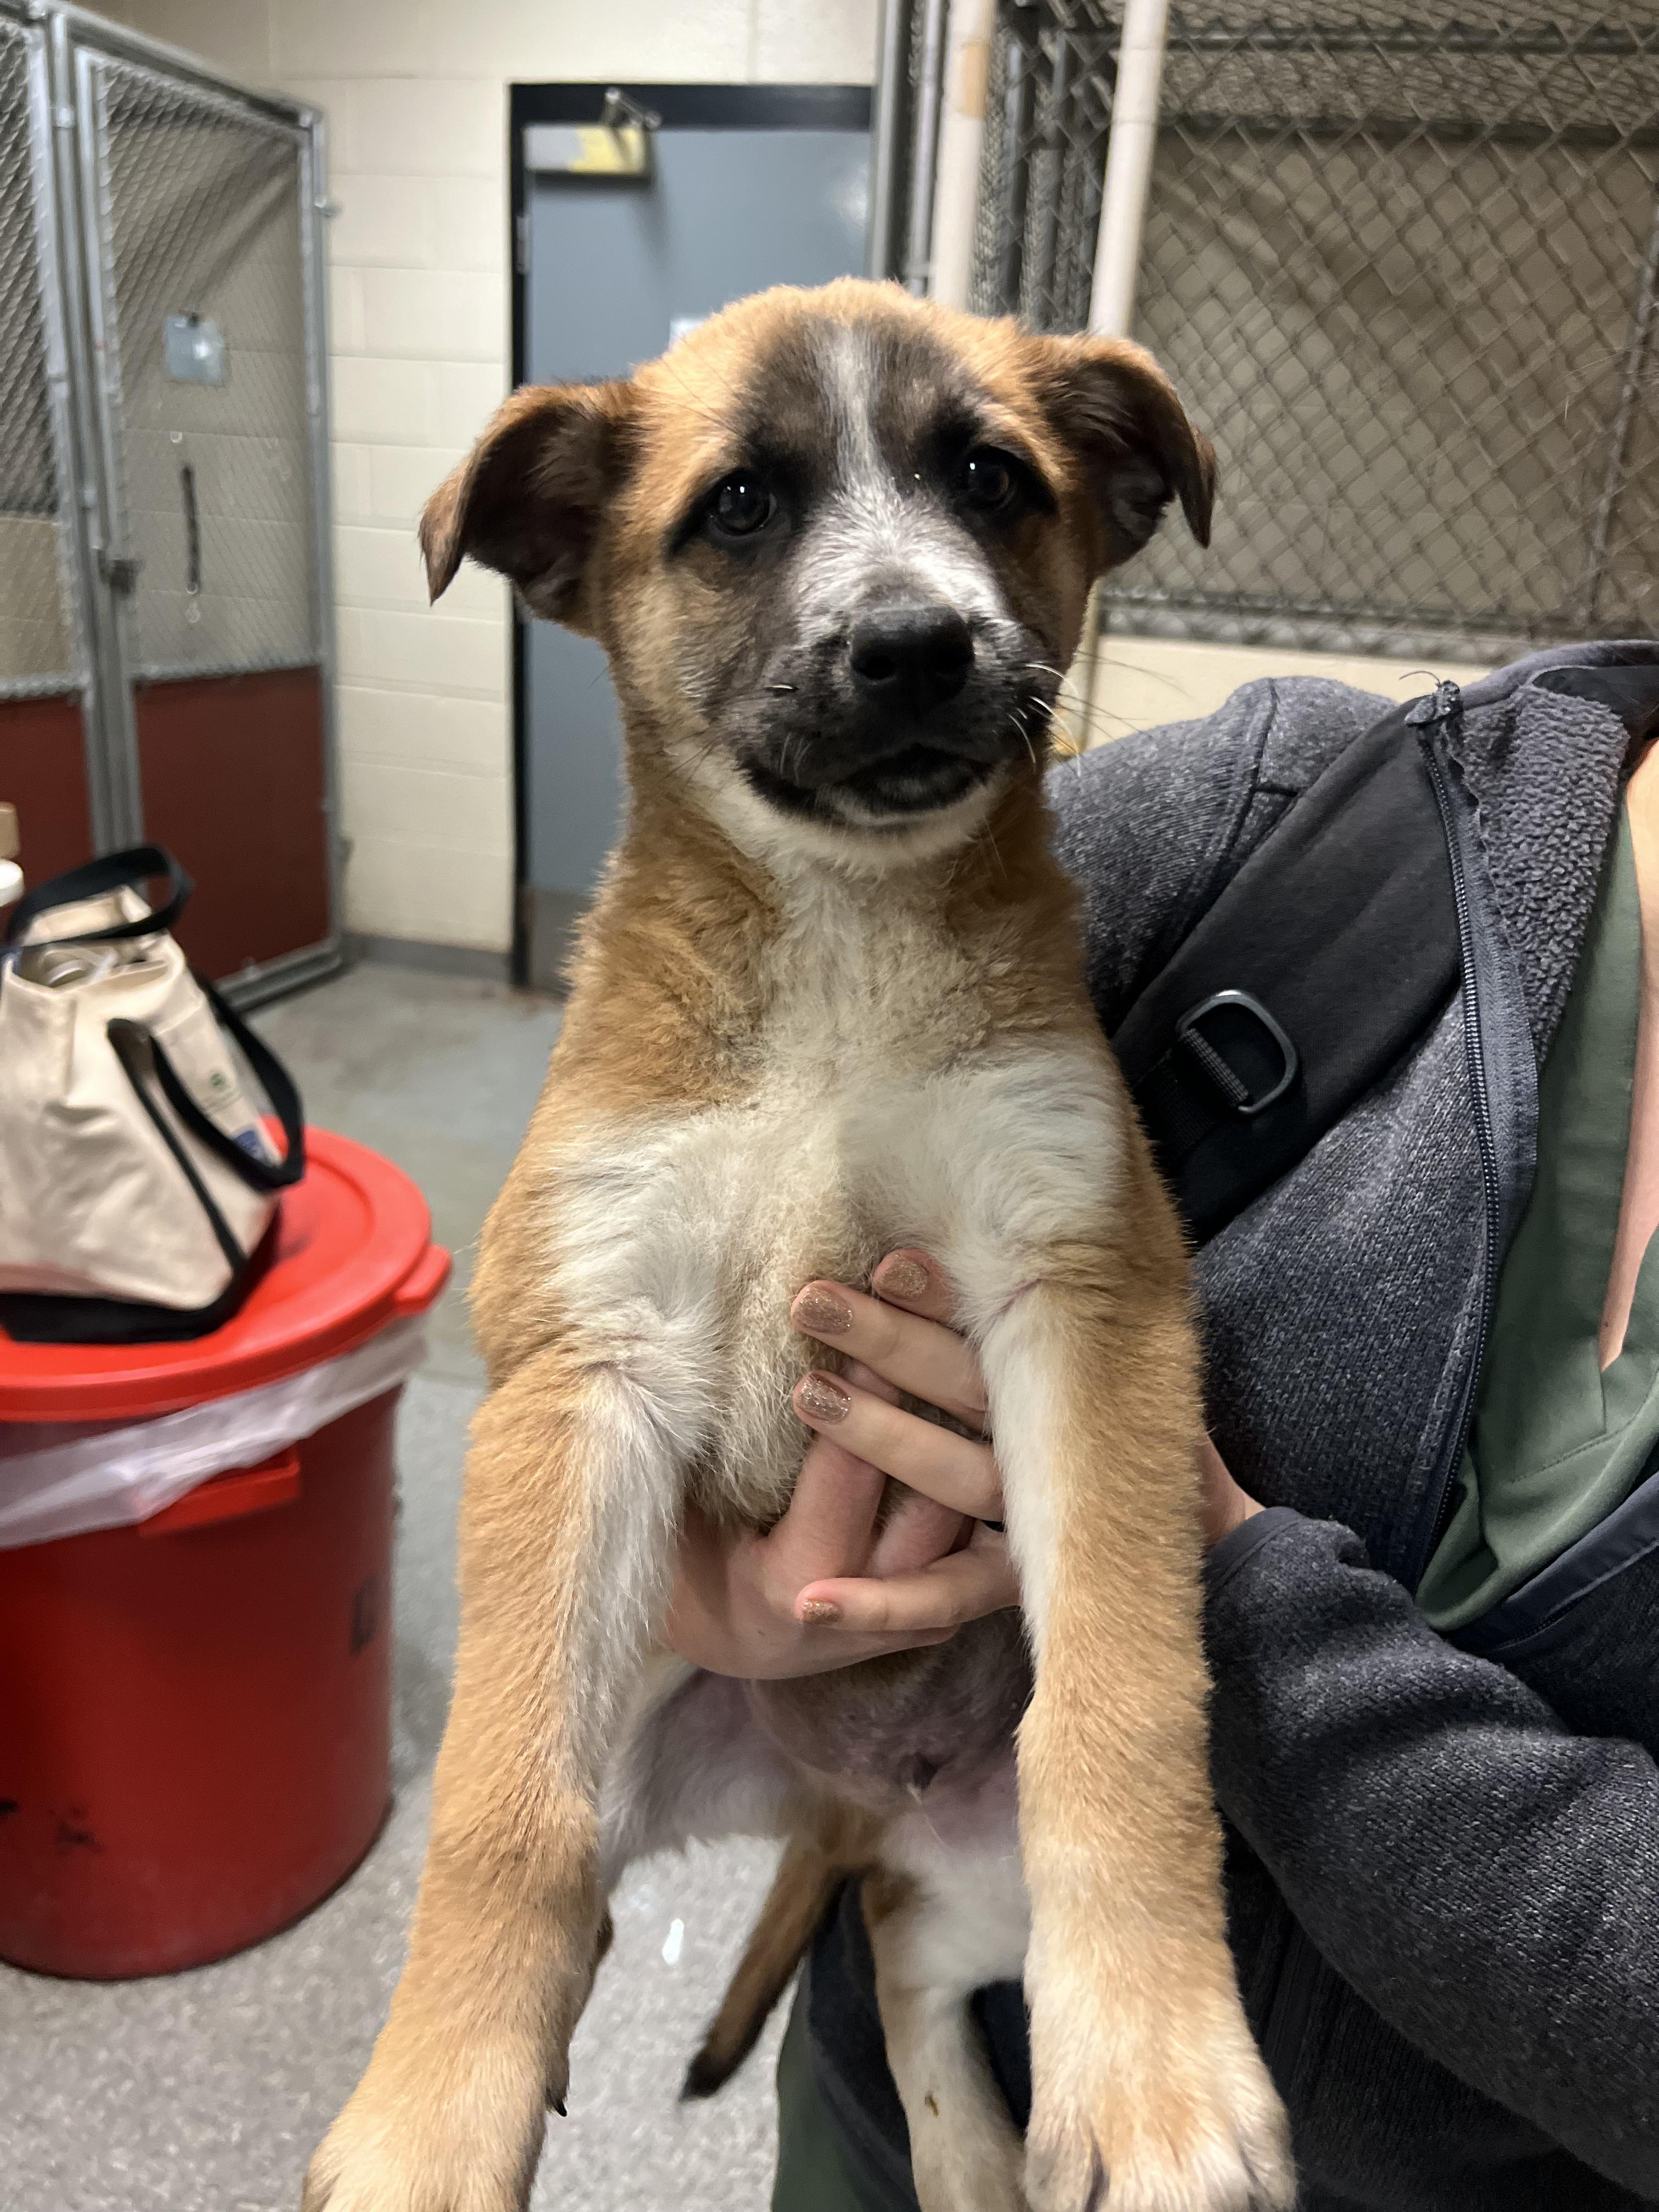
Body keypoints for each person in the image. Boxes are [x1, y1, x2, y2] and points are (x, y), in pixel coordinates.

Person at [667, 642, 1659, 2212]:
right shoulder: (1287, 821)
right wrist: (680, 1561)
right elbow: (660, 1145)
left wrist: (1182, 1545)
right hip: (901, 2030)